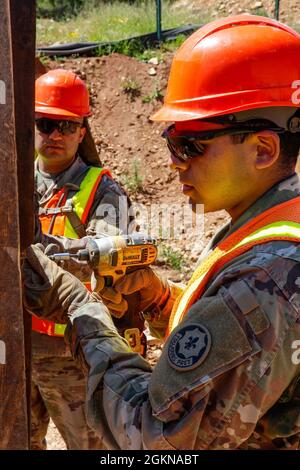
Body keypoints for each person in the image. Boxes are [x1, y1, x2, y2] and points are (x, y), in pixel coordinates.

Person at [24, 15, 300, 450]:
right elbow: (229, 325)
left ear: (263, 149)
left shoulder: (269, 275)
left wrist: (81, 311)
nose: (174, 160)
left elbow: (153, 437)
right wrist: (159, 298)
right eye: (171, 140)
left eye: (189, 143)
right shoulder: (271, 229)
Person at [32, 68, 137, 450]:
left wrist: (38, 250)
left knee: (89, 444)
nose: (54, 135)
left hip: (72, 350)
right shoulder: (14, 182)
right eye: (45, 124)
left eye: (66, 126)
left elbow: (108, 263)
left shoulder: (103, 190)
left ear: (81, 130)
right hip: (15, 342)